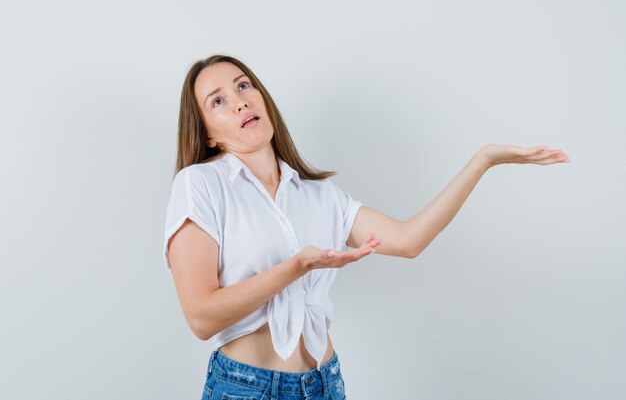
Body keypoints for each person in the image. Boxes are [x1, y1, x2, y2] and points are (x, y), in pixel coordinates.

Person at [163, 54, 570, 400]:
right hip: (246, 387)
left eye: (244, 86)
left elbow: (409, 241)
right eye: (218, 101)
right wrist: (296, 266)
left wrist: (482, 161)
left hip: (325, 383)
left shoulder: (320, 195)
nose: (239, 102)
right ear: (209, 135)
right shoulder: (200, 185)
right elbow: (201, 317)